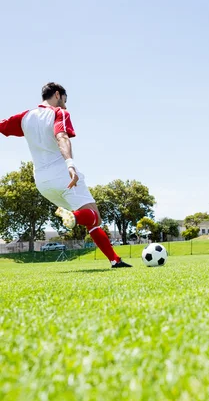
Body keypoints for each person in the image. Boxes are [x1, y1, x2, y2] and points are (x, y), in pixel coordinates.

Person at [0, 82, 131, 268]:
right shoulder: (58, 113)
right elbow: (61, 136)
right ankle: (74, 217)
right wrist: (70, 164)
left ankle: (115, 260)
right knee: (93, 215)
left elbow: (2, 126)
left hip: (42, 183)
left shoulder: (25, 117)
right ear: (57, 95)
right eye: (64, 101)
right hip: (63, 175)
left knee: (94, 219)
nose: (65, 106)